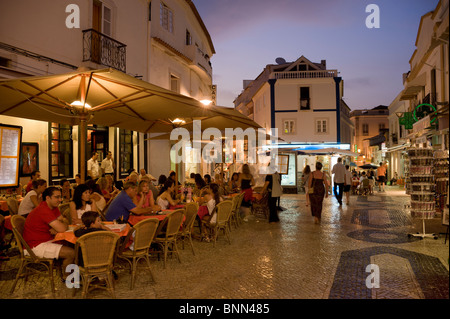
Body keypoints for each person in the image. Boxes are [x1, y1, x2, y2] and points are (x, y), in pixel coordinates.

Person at [22, 187, 74, 281]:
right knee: (71, 253)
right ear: (47, 198)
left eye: (60, 197)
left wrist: (59, 227)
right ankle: (67, 278)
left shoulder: (53, 207)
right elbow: (62, 227)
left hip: (46, 239)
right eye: (57, 197)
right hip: (35, 246)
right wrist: (60, 227)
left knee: (74, 245)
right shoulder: (43, 210)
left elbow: (64, 220)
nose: (60, 200)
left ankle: (72, 272)